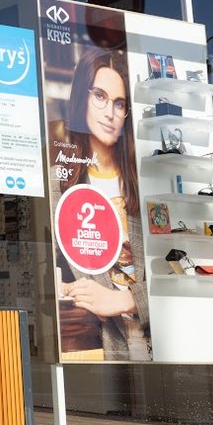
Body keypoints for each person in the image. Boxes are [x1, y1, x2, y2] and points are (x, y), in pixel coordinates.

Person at [58, 48, 151, 361]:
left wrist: (127, 300)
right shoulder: (61, 182)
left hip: (159, 337)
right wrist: (73, 292)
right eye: (100, 96)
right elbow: (47, 273)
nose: (110, 112)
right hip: (104, 344)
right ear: (81, 99)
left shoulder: (145, 180)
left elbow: (181, 270)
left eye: (119, 103)